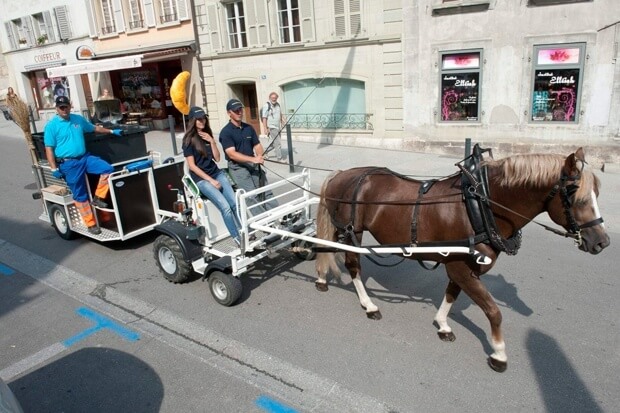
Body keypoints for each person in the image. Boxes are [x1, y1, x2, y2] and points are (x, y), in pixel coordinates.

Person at [44, 96, 123, 235]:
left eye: (66, 106)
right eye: (61, 107)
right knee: (80, 195)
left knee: (107, 169)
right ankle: (91, 224)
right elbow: (49, 149)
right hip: (68, 164)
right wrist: (53, 168)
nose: (64, 109)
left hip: (85, 158)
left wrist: (111, 131)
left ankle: (98, 198)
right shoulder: (51, 126)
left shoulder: (78, 119)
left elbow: (94, 128)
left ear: (70, 106)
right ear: (56, 108)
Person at [182, 106, 241, 244]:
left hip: (217, 173)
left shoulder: (207, 135)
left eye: (204, 118)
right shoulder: (188, 141)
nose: (202, 121)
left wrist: (212, 141)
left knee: (235, 203)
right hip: (202, 179)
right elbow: (192, 166)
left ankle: (245, 231)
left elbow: (218, 158)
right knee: (225, 207)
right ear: (193, 121)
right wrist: (211, 181)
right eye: (199, 119)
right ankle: (237, 237)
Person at [219, 98, 278, 214]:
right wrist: (254, 159)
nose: (239, 112)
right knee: (252, 196)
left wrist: (260, 156)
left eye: (240, 109)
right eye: (236, 110)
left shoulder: (248, 128)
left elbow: (257, 145)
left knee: (265, 190)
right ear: (229, 113)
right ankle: (264, 225)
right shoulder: (226, 132)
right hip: (238, 167)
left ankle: (280, 217)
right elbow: (232, 154)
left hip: (253, 163)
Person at [261, 92, 285, 161]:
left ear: (277, 98)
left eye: (275, 98)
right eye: (272, 98)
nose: (274, 99)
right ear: (270, 98)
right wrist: (265, 128)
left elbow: (280, 113)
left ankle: (264, 152)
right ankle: (279, 158)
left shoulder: (278, 105)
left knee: (275, 143)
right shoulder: (267, 105)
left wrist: (283, 121)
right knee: (278, 143)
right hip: (272, 127)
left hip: (278, 126)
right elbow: (264, 117)